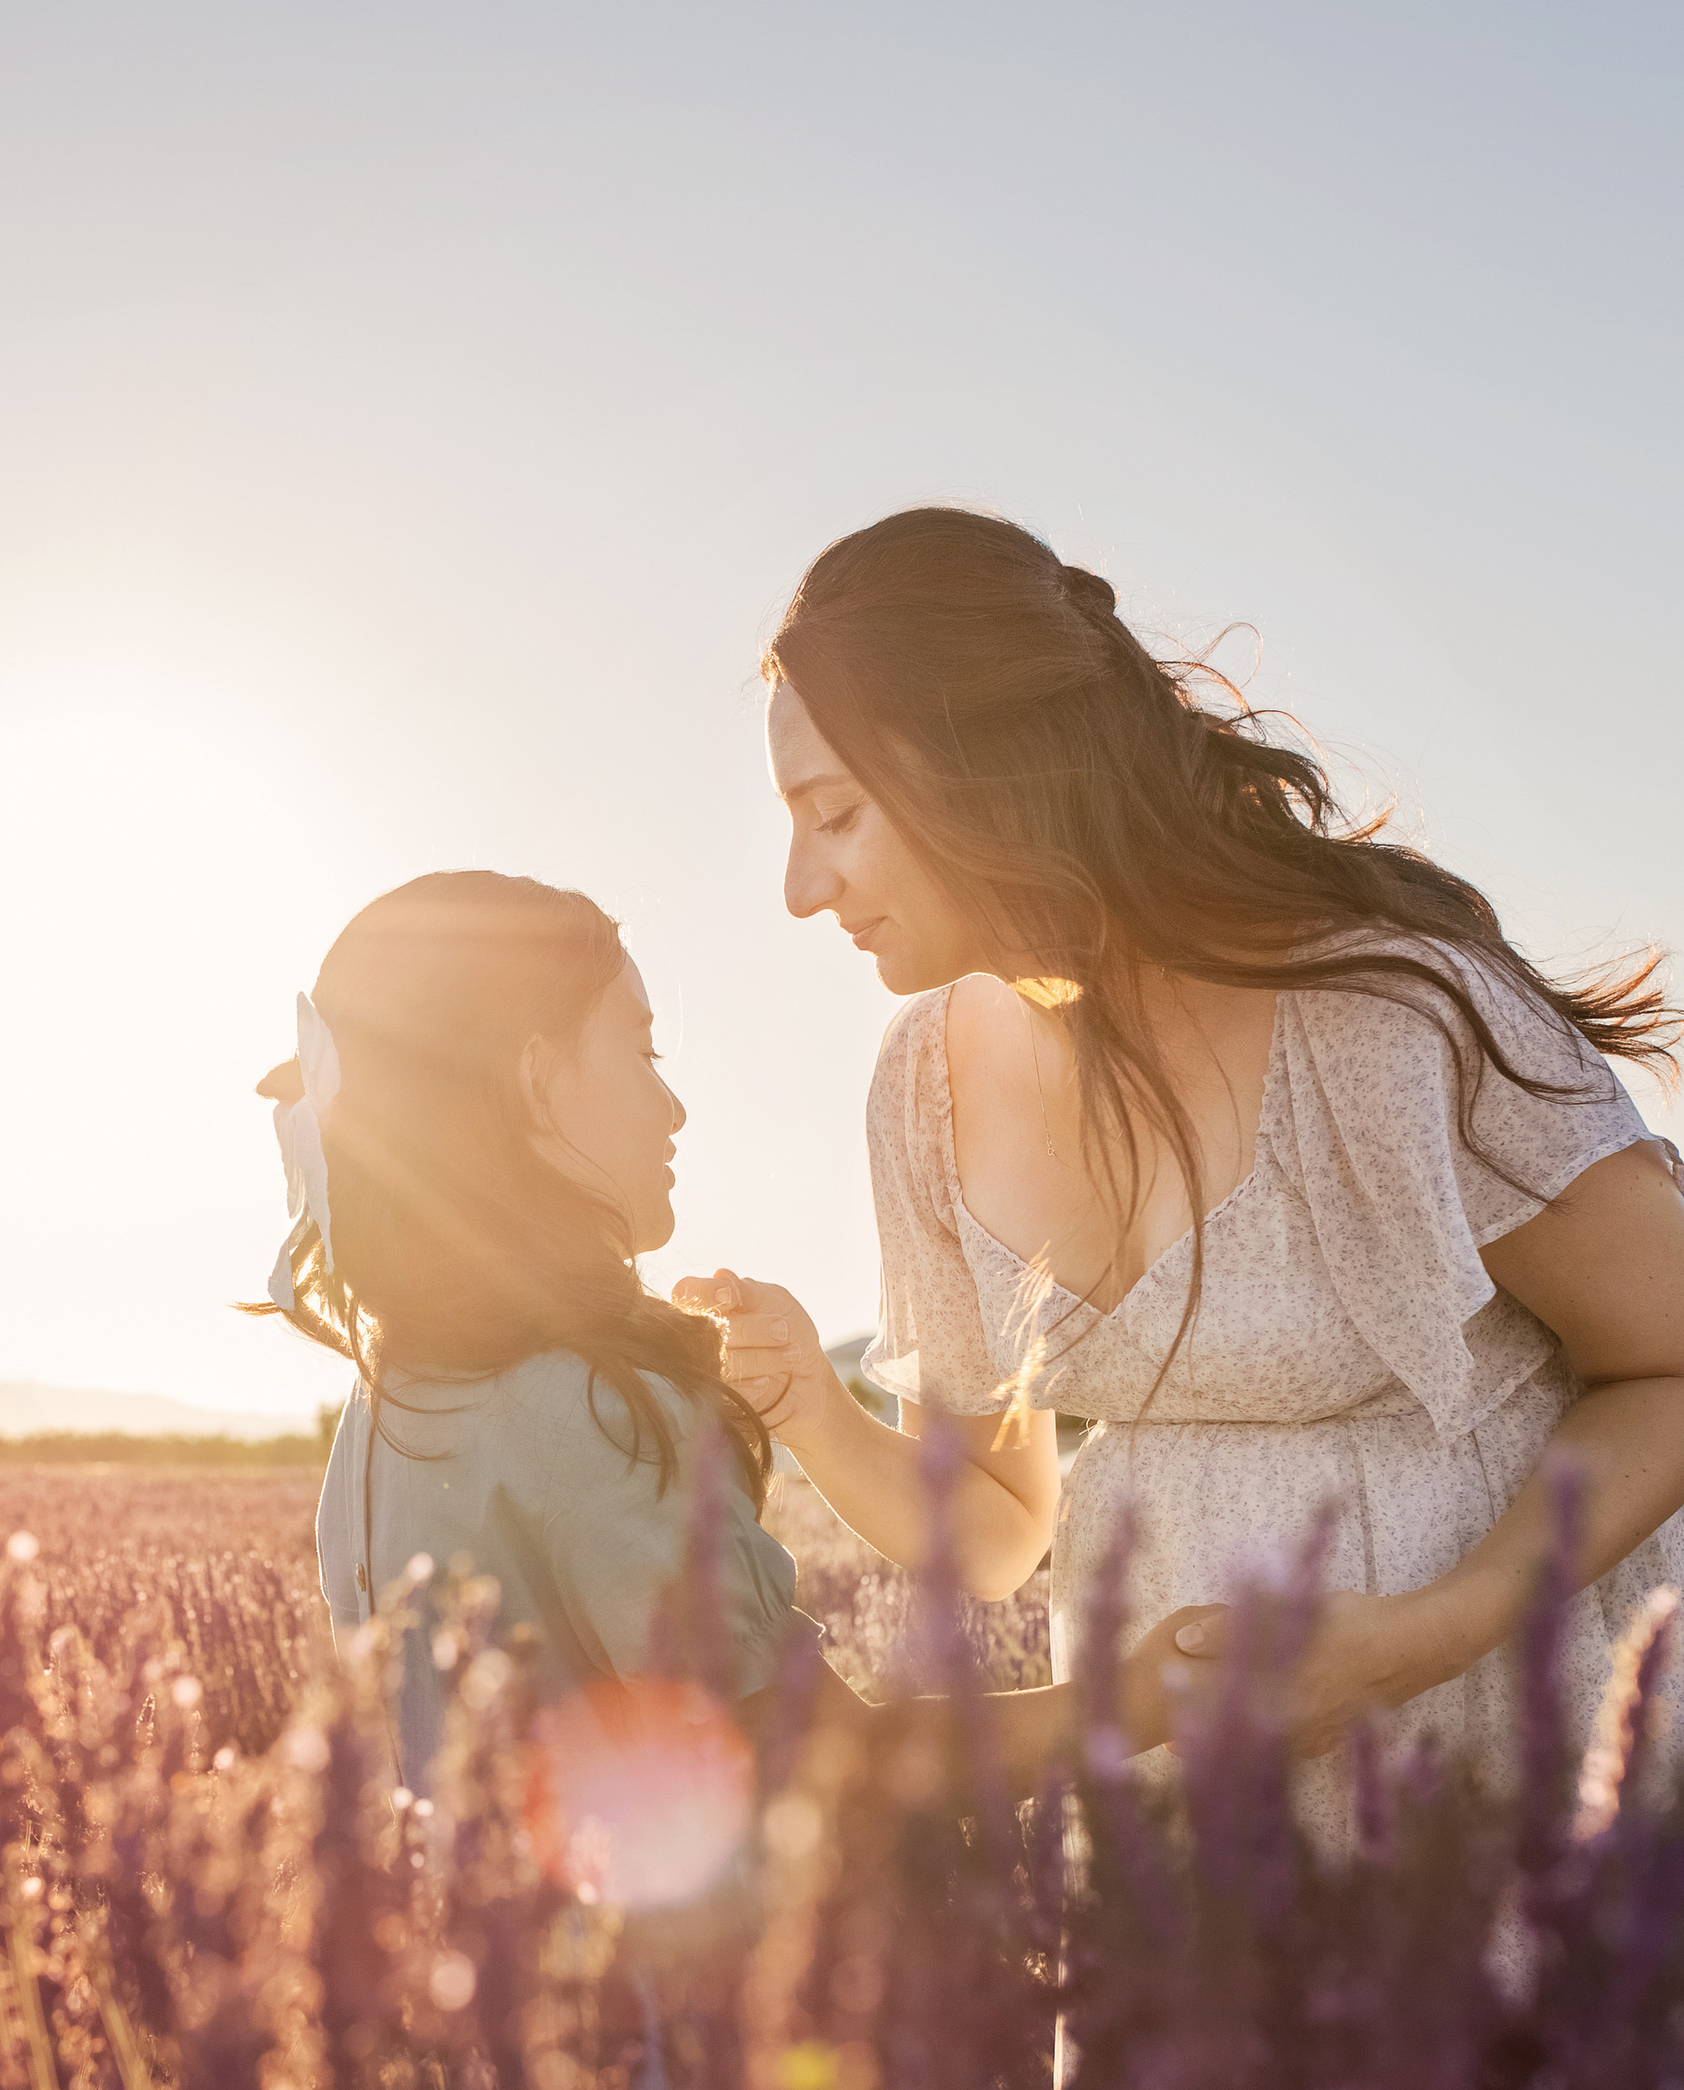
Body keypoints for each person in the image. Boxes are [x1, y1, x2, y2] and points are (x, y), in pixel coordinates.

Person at [677, 507, 1684, 1821]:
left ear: (991, 772)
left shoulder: (1383, 1018)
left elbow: (1665, 1358)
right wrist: (815, 1404)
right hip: (1177, 1835)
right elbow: (994, 1533)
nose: (804, 888)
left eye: (837, 814)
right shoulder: (919, 1083)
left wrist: (1435, 1629)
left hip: (1495, 1785)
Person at [254, 866, 1183, 1798]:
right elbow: (818, 1765)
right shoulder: (593, 1413)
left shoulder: (383, 1410)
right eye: (644, 1053)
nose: (674, 1109)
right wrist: (1139, 1701)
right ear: (537, 1081)